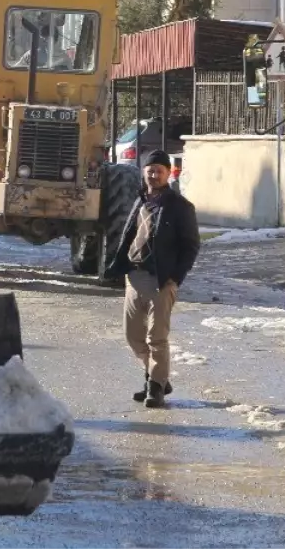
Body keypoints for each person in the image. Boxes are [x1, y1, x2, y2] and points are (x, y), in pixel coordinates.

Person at [105, 149, 200, 408]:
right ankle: (158, 377)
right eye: (150, 170)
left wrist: (175, 279)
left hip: (162, 279)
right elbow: (129, 235)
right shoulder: (140, 200)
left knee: (156, 337)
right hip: (135, 277)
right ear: (143, 172)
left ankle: (155, 387)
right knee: (132, 336)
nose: (154, 174)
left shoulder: (181, 207)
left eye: (159, 170)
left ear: (168, 174)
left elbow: (191, 246)